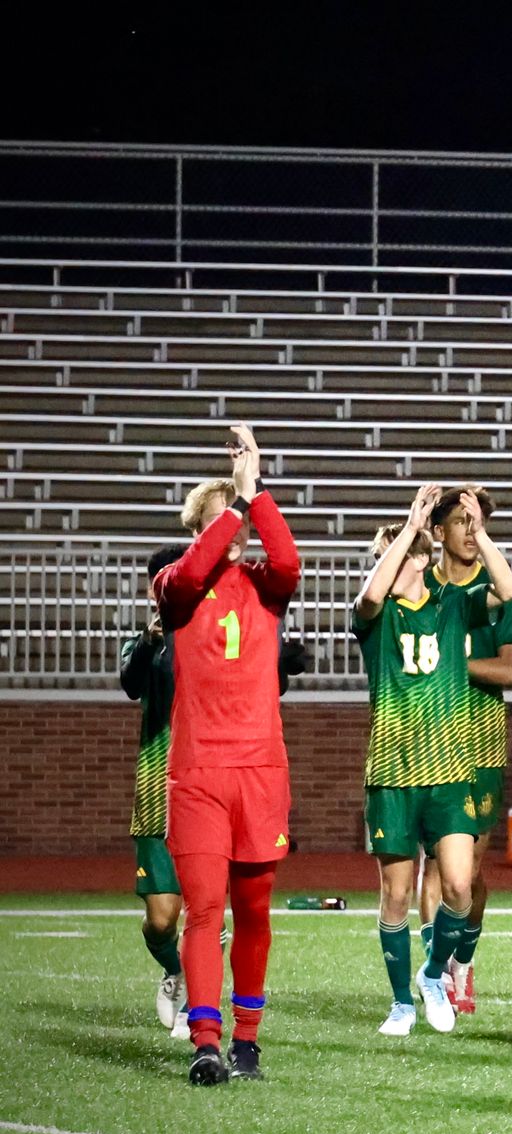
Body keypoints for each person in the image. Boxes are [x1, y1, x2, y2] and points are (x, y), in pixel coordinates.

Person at [153, 425, 299, 1085]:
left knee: (256, 911)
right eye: (222, 522)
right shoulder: (175, 586)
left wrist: (256, 492)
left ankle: (248, 1039)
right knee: (205, 906)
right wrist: (235, 505)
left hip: (260, 770)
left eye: (238, 522)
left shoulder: (267, 587)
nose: (235, 532)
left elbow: (291, 561)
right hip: (199, 775)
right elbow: (189, 569)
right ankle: (204, 1040)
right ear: (201, 529)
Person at [355, 486, 512, 1038]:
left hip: (449, 773)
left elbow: (508, 590)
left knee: (458, 888)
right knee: (396, 894)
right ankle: (401, 1002)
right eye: (384, 560)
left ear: (422, 561)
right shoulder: (377, 622)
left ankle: (431, 975)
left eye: (401, 557)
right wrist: (407, 529)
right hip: (393, 776)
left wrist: (479, 530)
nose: (387, 568)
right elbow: (368, 599)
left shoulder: (452, 606)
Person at [415, 486, 512, 1014]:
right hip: (426, 739)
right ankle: (433, 971)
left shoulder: (495, 590)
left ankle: (463, 959)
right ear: (438, 531)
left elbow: (511, 669)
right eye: (459, 521)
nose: (468, 530)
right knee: (433, 866)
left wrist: (450, 670)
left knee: (471, 874)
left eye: (475, 521)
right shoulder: (418, 586)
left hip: (480, 743)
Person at [121, 544, 191, 1038]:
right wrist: (150, 641)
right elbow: (129, 682)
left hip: (208, 779)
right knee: (162, 919)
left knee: (207, 908)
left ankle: (202, 1008)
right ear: (153, 587)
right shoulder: (147, 641)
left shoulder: (210, 629)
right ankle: (175, 971)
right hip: (156, 789)